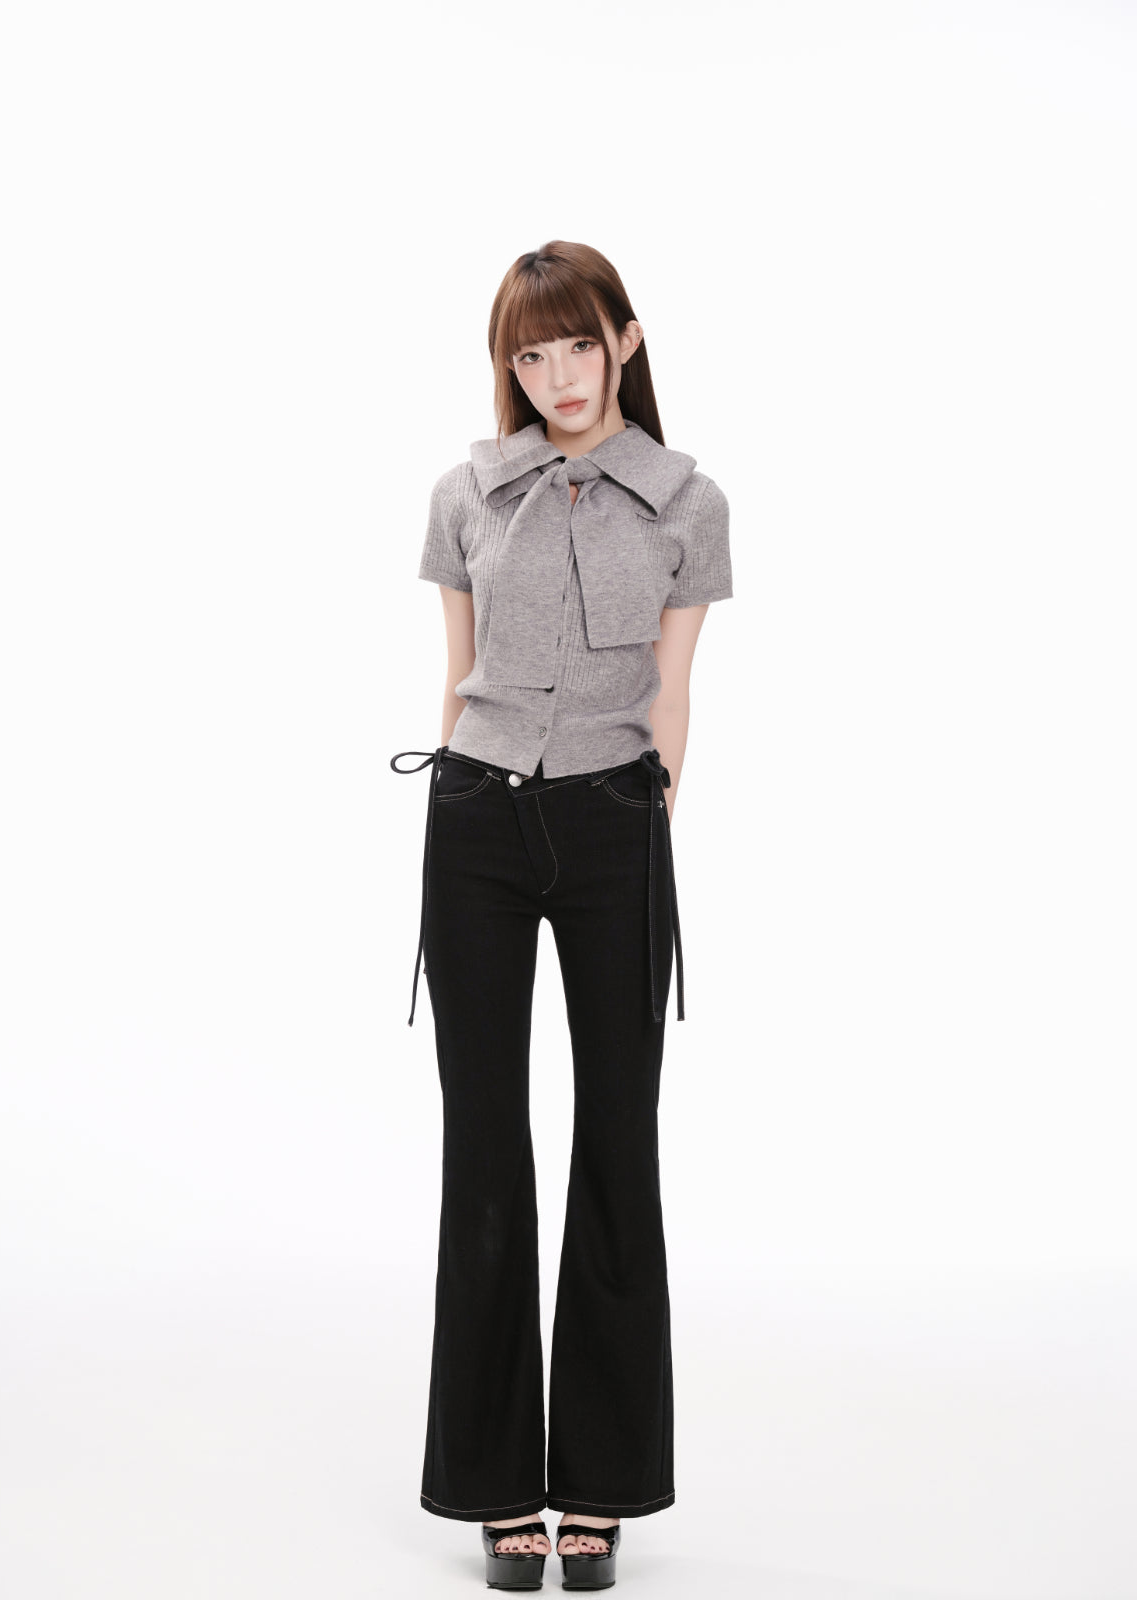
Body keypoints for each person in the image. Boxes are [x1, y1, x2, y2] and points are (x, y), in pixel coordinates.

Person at [390, 239, 732, 1590]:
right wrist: (457, 797)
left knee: (618, 1147)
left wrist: (648, 826)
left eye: (578, 345)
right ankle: (492, 1488)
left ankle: (601, 1483)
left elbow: (675, 688)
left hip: (616, 826)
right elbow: (458, 672)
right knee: (483, 1152)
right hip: (476, 820)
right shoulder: (467, 492)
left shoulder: (688, 501)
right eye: (529, 355)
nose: (557, 376)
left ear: (625, 342)